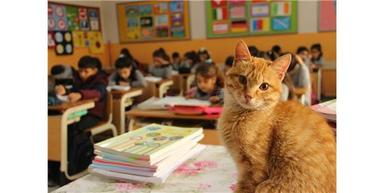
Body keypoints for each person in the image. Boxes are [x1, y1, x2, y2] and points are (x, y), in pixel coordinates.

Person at [54, 55, 108, 175]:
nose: (82, 74)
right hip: (77, 113)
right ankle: (60, 164)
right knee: (60, 127)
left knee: (73, 129)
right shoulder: (78, 79)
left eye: (86, 71)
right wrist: (65, 91)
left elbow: (98, 93)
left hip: (93, 115)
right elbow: (74, 92)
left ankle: (73, 166)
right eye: (80, 70)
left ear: (95, 71)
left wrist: (80, 95)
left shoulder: (100, 80)